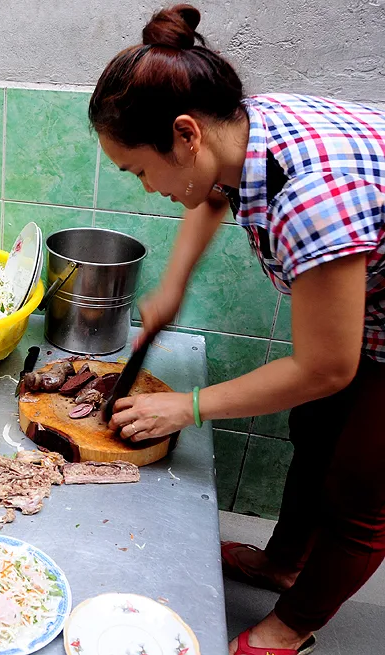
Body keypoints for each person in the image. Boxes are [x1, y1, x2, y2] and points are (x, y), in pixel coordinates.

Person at [89, 4, 384, 655]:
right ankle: (286, 561)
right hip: (367, 292)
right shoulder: (242, 125)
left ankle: (290, 627)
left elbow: (326, 366)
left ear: (185, 135)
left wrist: (187, 406)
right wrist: (172, 285)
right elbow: (216, 188)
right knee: (315, 428)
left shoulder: (313, 200)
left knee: (362, 484)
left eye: (138, 170)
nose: (143, 187)